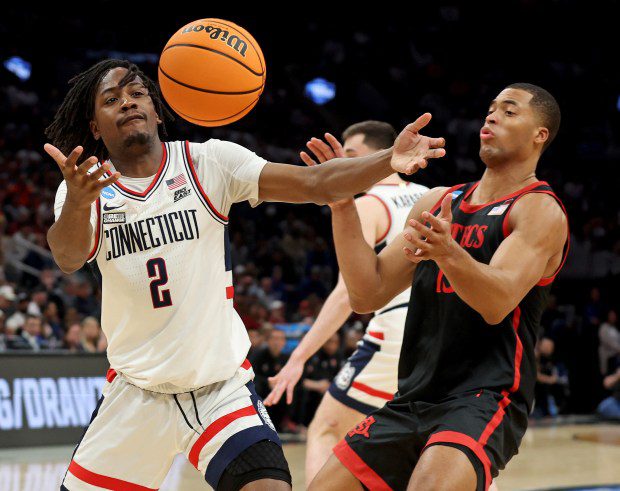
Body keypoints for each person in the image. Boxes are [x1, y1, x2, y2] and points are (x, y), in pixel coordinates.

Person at [44, 59, 445, 491]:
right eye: (111, 100)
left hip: (220, 389)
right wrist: (78, 204)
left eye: (137, 94)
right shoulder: (82, 191)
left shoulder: (210, 163)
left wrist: (389, 160)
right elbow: (67, 257)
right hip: (137, 392)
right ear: (95, 128)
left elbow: (316, 184)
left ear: (157, 110)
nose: (127, 103)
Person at [309, 83, 568, 491]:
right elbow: (367, 292)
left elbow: (497, 302)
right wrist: (341, 203)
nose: (492, 116)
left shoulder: (538, 209)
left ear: (541, 135)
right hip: (412, 395)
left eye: (509, 110)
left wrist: (448, 252)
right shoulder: (437, 201)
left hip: (484, 397)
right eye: (490, 109)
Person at [264, 120, 429, 485]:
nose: (343, 166)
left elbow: (346, 296)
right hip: (446, 332)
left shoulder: (370, 204)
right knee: (443, 445)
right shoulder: (432, 194)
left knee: (325, 429)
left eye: (351, 156)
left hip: (398, 332)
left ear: (381, 157)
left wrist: (298, 358)